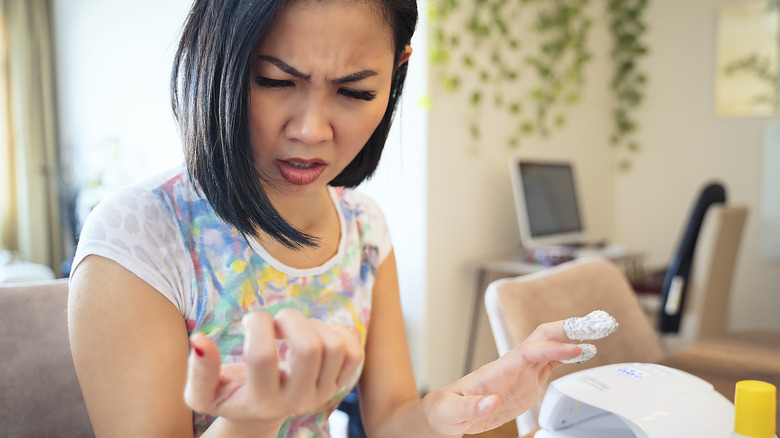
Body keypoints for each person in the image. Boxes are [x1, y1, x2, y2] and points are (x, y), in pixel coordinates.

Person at [67, 0, 598, 437]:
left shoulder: (364, 228)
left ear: (398, 70)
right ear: (218, 60)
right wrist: (253, 418)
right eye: (275, 81)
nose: (312, 130)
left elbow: (389, 418)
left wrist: (445, 412)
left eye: (355, 92)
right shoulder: (141, 237)